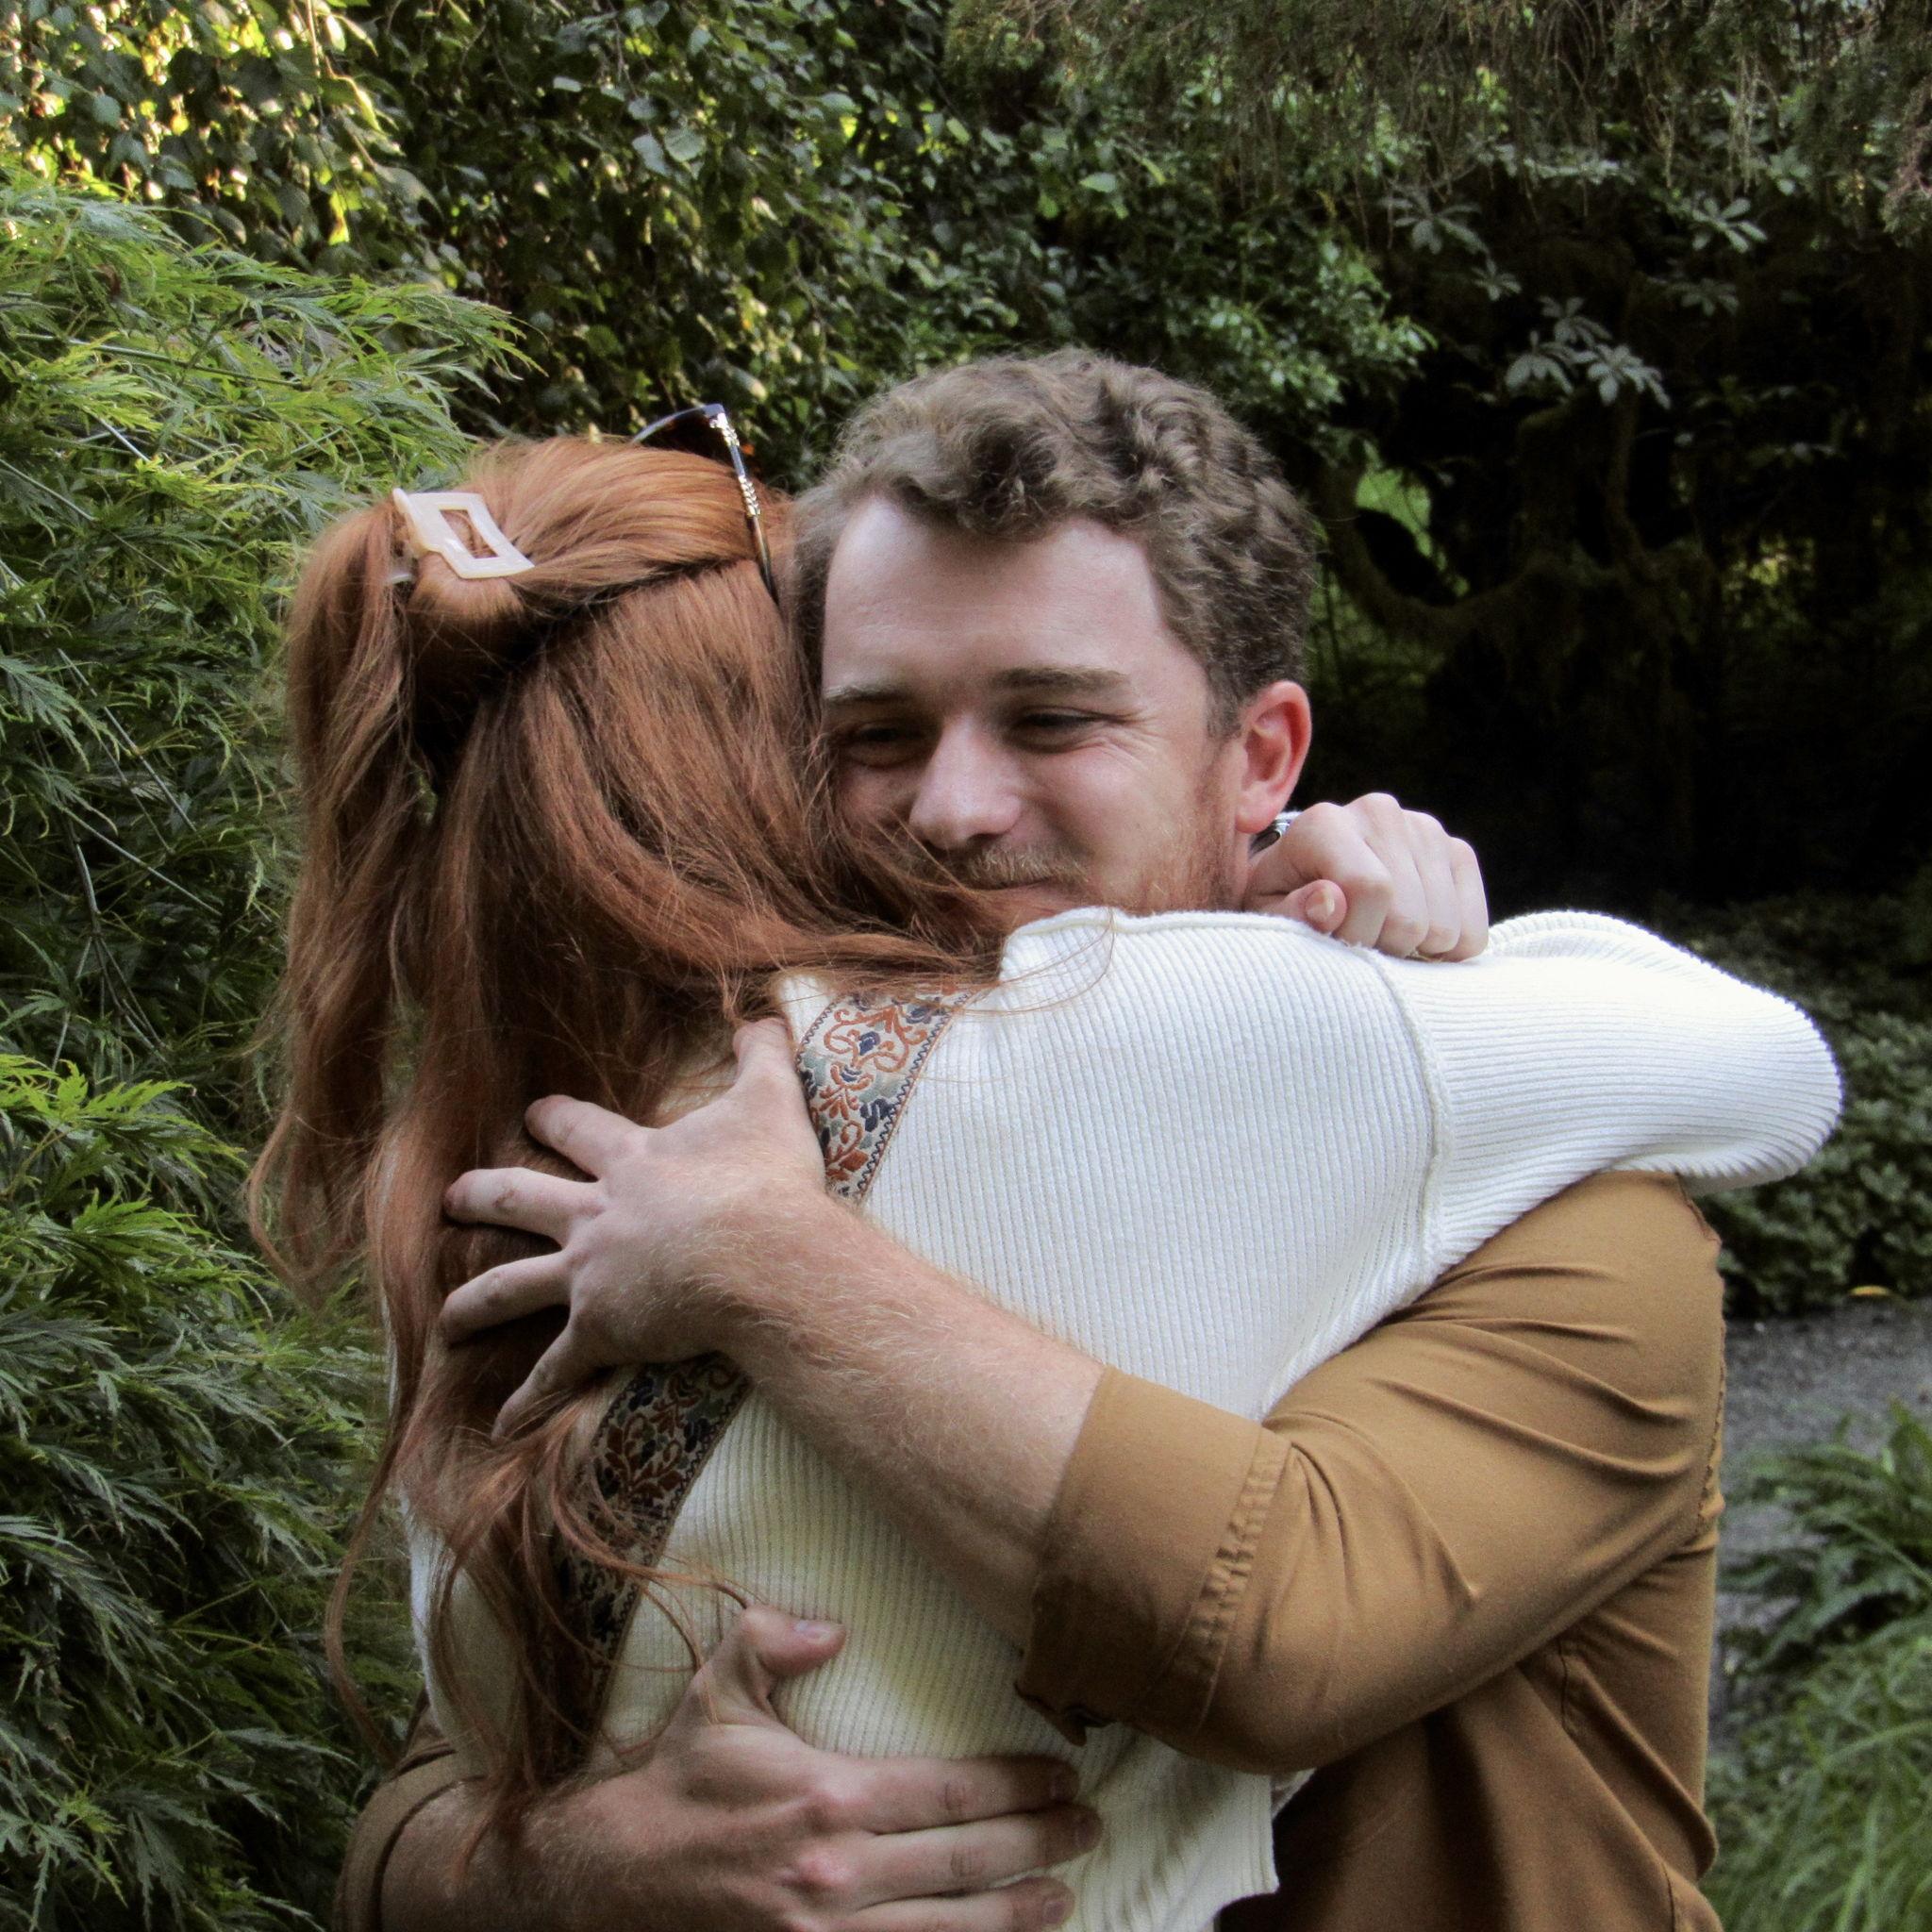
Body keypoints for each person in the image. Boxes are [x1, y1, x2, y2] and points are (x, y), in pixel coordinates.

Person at [328, 358, 1837, 1931]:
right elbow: (441, 1763)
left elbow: (1279, 1635)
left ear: (1264, 758)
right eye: (877, 734)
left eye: (1053, 720)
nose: (955, 808)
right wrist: (583, 1867)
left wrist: (765, 1264)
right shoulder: (697, 1148)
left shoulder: (1557, 1202)